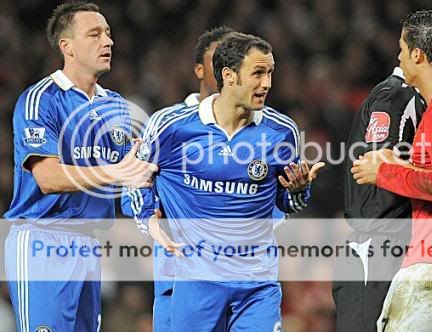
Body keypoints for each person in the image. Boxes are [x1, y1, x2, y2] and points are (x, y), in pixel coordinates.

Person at [132, 32, 324, 331]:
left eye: (270, 72)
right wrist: (148, 220)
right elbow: (135, 175)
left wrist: (299, 190)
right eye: (258, 73)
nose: (267, 84)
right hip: (196, 280)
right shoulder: (174, 127)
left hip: (258, 282)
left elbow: (289, 203)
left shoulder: (281, 131)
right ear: (229, 75)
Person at [3, 2, 157, 331]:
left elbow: (131, 174)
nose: (108, 41)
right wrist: (116, 171)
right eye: (95, 34)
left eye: (109, 34)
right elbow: (47, 177)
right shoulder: (40, 99)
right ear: (67, 46)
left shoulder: (115, 104)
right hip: (43, 237)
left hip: (89, 241)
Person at [335, 33, 432, 331]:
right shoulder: (396, 96)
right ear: (427, 57)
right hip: (380, 244)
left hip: (424, 250)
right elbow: (374, 165)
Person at [122, 25, 235, 332]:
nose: (228, 69)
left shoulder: (257, 130)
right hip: (180, 267)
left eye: (235, 60)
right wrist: (153, 220)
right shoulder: (167, 125)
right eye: (218, 60)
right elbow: (131, 189)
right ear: (199, 69)